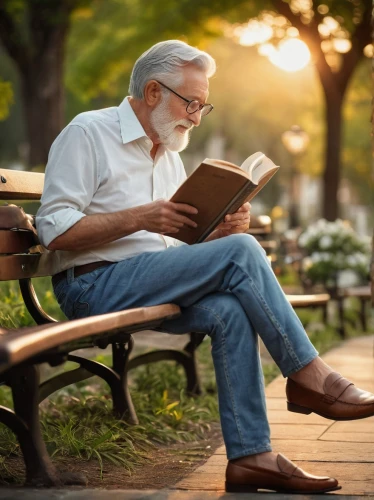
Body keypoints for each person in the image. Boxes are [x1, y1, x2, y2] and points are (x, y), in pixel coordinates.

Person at [36, 40, 374, 494]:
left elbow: (178, 240)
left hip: (148, 278)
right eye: (191, 103)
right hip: (91, 285)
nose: (196, 116)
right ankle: (308, 376)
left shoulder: (170, 156)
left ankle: (251, 456)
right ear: (154, 92)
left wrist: (222, 228)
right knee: (244, 252)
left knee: (230, 306)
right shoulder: (88, 133)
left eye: (203, 106)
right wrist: (140, 216)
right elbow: (53, 231)